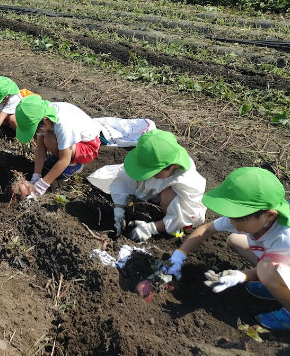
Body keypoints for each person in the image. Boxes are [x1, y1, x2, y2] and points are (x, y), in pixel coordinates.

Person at [160, 167, 290, 330]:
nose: (232, 223)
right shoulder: (252, 217)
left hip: (281, 261)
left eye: (238, 219)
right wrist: (179, 256)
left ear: (269, 215)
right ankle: (275, 287)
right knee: (234, 240)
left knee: (266, 270)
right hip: (280, 260)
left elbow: (269, 266)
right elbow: (207, 229)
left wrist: (243, 275)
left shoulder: (285, 237)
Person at [87, 129, 207, 240]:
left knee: (168, 196)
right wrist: (119, 209)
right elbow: (125, 180)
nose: (149, 176)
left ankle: (167, 224)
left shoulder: (187, 178)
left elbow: (190, 213)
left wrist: (153, 228)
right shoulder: (148, 158)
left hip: (173, 208)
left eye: (154, 173)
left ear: (173, 166)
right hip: (153, 198)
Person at [15, 95, 101, 200]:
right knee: (47, 138)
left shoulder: (64, 126)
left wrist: (43, 185)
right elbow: (40, 148)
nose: (36, 133)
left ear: (45, 120)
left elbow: (65, 159)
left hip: (89, 146)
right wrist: (36, 175)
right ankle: (60, 157)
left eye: (37, 130)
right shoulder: (42, 113)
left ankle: (74, 165)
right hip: (73, 141)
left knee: (50, 140)